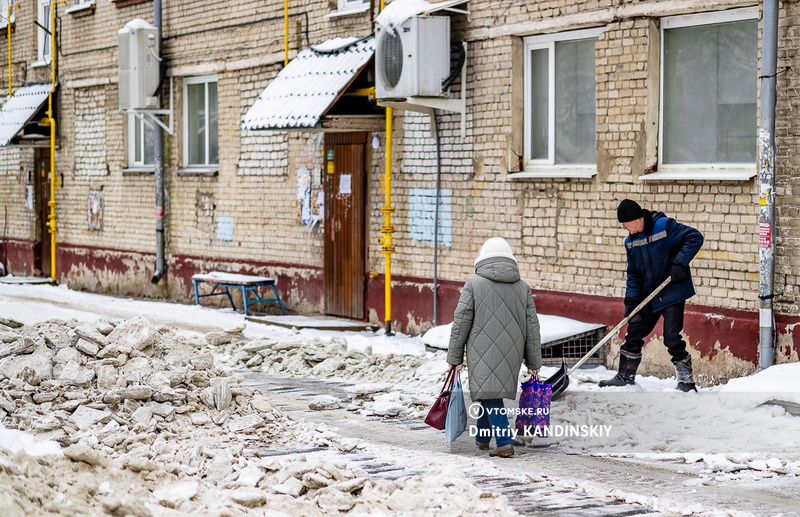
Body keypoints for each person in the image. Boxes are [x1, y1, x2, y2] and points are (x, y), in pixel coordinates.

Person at [447, 237, 542, 457]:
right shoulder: (523, 288)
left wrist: (455, 356)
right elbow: (532, 328)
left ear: (482, 259)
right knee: (488, 391)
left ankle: (504, 442)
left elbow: (461, 323)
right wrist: (534, 361)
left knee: (490, 394)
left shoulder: (473, 284)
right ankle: (482, 438)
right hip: (512, 352)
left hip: (481, 350)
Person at [600, 199, 704, 392]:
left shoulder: (664, 226)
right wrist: (631, 301)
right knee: (635, 331)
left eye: (625, 223)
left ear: (636, 219)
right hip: (649, 295)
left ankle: (686, 382)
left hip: (672, 290)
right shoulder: (630, 242)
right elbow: (633, 274)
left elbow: (694, 237)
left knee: (671, 337)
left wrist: (680, 262)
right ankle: (625, 376)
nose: (623, 227)